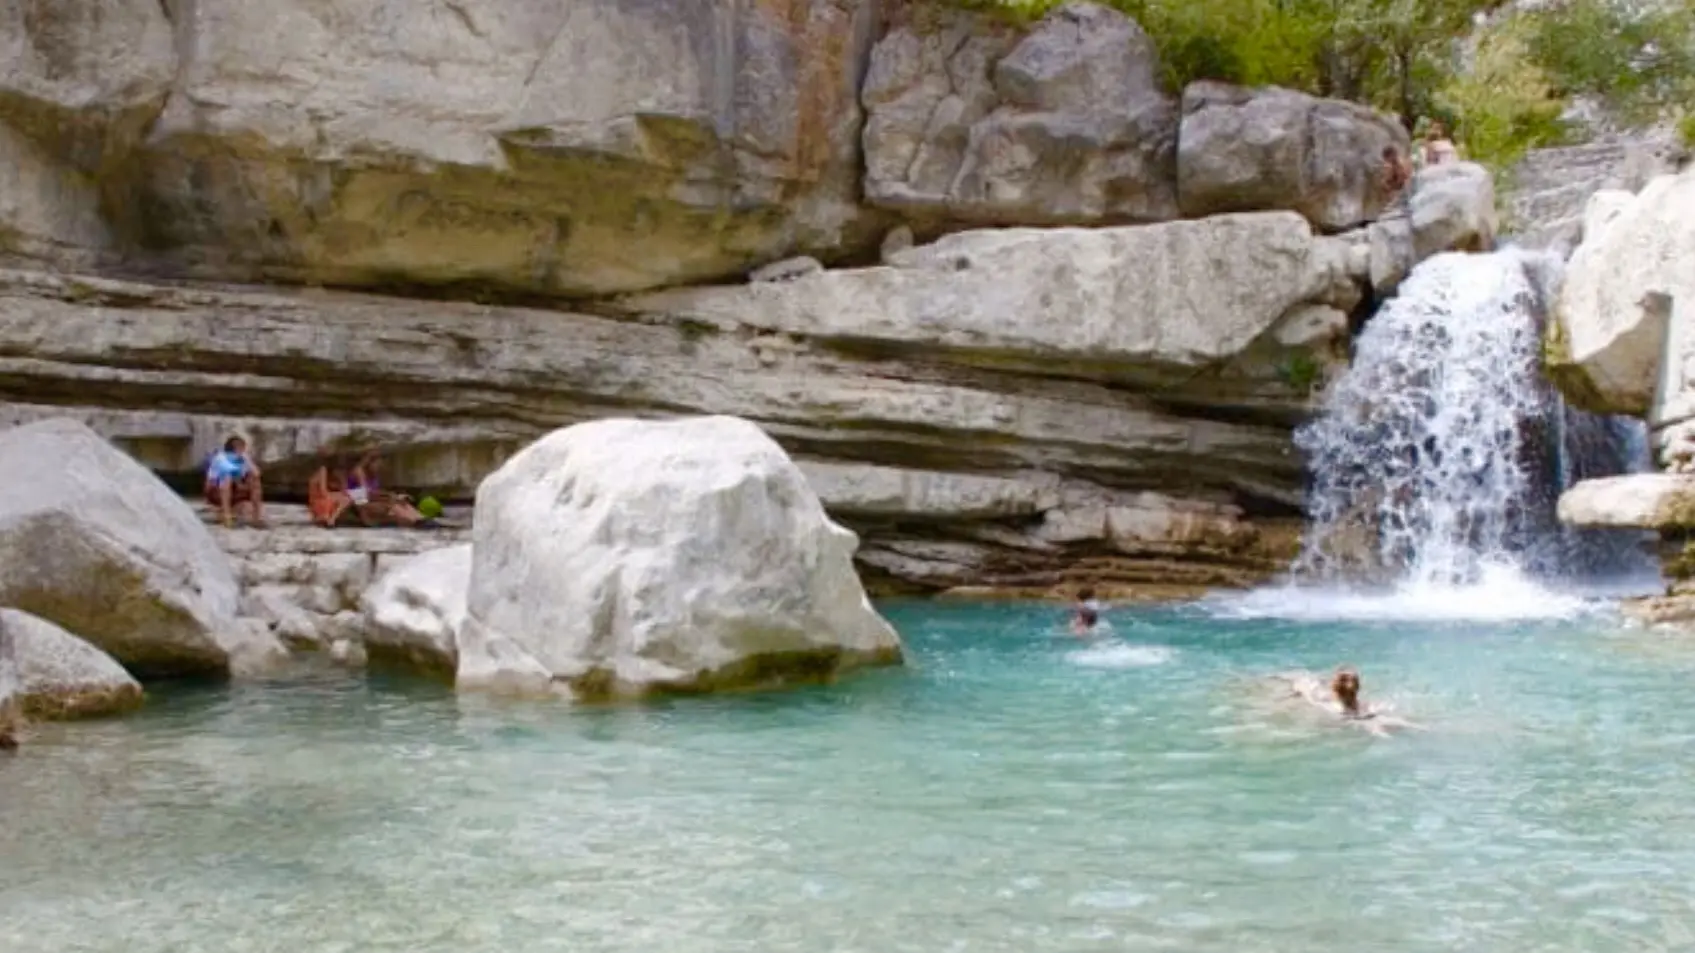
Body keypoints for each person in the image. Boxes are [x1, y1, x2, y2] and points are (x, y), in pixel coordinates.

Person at [348, 448, 428, 528]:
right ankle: (414, 521)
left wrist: (393, 496)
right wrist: (389, 496)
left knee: (401, 502)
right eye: (377, 463)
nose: (379, 466)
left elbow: (375, 492)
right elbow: (365, 495)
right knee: (393, 504)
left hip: (370, 500)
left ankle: (420, 519)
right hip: (361, 503)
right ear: (369, 462)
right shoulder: (359, 472)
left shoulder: (373, 474)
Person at [204, 436, 267, 529]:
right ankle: (227, 516)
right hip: (218, 490)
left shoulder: (243, 458)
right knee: (227, 478)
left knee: (254, 481)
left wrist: (247, 461)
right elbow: (226, 472)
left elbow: (257, 473)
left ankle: (257, 517)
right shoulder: (221, 458)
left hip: (236, 489)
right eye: (240, 447)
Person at [307, 448, 354, 528]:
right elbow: (323, 491)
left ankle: (331, 518)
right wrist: (338, 494)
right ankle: (332, 519)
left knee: (347, 496)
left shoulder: (329, 472)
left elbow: (343, 488)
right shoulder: (323, 470)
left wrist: (342, 483)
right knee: (346, 499)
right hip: (319, 500)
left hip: (319, 499)